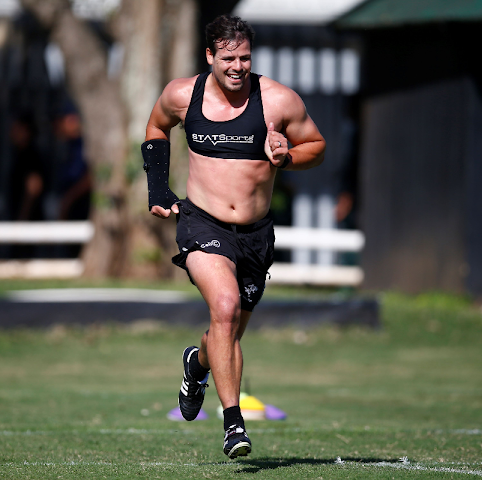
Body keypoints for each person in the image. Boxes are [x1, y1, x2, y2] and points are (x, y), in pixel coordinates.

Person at [142, 15, 325, 459]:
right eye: (228, 58)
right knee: (222, 307)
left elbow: (315, 147)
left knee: (226, 332)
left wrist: (286, 157)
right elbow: (155, 128)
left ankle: (196, 362)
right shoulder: (183, 94)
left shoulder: (278, 100)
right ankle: (233, 425)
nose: (238, 66)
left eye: (244, 57)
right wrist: (159, 188)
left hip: (255, 236)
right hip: (201, 223)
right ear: (210, 56)